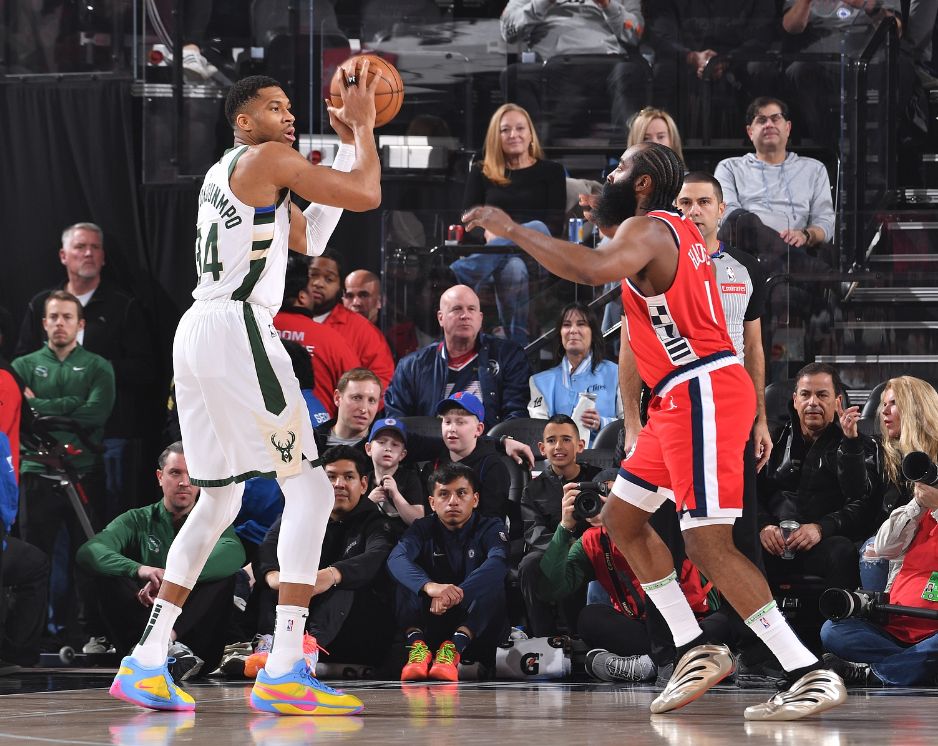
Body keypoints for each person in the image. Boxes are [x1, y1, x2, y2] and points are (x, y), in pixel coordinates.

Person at [463, 141, 846, 720]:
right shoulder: (672, 232)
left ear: (642, 185)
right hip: (676, 397)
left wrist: (512, 229)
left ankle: (806, 670)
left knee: (707, 543)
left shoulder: (650, 227)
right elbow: (616, 256)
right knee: (621, 520)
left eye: (620, 168)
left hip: (701, 389)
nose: (610, 173)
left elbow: (589, 268)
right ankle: (694, 646)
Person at [109, 67, 383, 715]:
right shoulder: (267, 158)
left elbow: (311, 236)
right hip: (238, 325)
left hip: (199, 330)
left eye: (290, 108)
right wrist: (365, 129)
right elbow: (366, 194)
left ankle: (145, 659)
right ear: (244, 121)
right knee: (311, 489)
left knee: (218, 499)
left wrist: (345, 147)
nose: (288, 117)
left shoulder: (229, 171)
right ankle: (285, 666)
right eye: (275, 107)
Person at [15, 222, 156, 521]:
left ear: (104, 257)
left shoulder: (124, 306)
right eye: (80, 247)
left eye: (95, 247)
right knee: (45, 523)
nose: (88, 253)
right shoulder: (40, 304)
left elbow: (145, 368)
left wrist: (93, 372)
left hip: (108, 437)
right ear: (63, 255)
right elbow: (21, 363)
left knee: (104, 520)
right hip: (47, 439)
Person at [76, 442, 245, 680]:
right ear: (160, 477)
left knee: (223, 576)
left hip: (196, 645)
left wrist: (170, 580)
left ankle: (166, 641)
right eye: (175, 473)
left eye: (192, 475)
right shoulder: (137, 520)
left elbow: (233, 553)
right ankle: (156, 645)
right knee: (107, 571)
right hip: (140, 634)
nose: (184, 482)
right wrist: (140, 570)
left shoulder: (214, 523)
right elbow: (90, 551)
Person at [540, 478, 730, 683]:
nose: (601, 503)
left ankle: (649, 665)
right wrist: (565, 527)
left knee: (730, 618)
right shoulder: (592, 541)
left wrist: (623, 514)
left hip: (693, 621)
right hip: (644, 627)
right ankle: (682, 661)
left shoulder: (660, 520)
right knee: (589, 618)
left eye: (609, 495)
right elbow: (552, 589)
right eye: (593, 498)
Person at [13, 290, 115, 637]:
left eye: (67, 317)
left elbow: (95, 414)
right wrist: (73, 404)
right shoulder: (22, 366)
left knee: (88, 555)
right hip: (36, 472)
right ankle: (30, 637)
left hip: (83, 471)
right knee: (33, 557)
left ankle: (91, 635)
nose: (60, 323)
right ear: (43, 323)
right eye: (53, 317)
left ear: (80, 324)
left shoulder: (99, 366)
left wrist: (40, 406)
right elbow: (21, 418)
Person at [252, 446, 395, 671]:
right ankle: (268, 645)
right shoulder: (301, 513)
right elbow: (268, 546)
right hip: (300, 613)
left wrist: (332, 575)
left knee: (344, 584)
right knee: (280, 579)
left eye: (348, 477)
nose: (339, 484)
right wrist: (273, 577)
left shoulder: (377, 522)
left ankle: (308, 652)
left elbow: (377, 556)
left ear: (363, 484)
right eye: (331, 477)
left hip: (354, 628)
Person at [757, 363, 880, 592]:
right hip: (773, 542)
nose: (813, 402)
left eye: (822, 395)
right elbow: (748, 495)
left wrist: (821, 528)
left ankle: (838, 616)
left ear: (837, 402)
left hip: (823, 544)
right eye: (805, 394)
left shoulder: (858, 445)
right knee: (738, 543)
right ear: (795, 400)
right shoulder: (771, 441)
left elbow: (863, 505)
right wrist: (763, 526)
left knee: (842, 551)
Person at [388, 463, 510, 681]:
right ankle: (417, 650)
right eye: (444, 494)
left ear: (475, 499)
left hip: (475, 624)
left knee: (494, 580)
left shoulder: (490, 526)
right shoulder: (422, 527)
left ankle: (453, 649)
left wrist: (456, 594)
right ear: (432, 503)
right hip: (432, 617)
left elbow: (499, 562)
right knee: (404, 578)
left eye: (461, 493)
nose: (453, 501)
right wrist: (430, 587)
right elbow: (396, 558)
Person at [457, 104, 566, 344]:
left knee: (537, 226)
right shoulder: (481, 172)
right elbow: (467, 222)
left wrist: (507, 232)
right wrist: (486, 233)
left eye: (520, 128)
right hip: (498, 256)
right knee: (513, 268)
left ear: (530, 135)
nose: (513, 135)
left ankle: (465, 271)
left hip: (540, 254)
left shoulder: (552, 171)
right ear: (496, 137)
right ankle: (517, 346)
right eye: (505, 130)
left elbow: (555, 227)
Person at [820, 473, 938, 687]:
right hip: (895, 628)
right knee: (833, 631)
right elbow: (884, 548)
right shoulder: (921, 513)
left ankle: (873, 674)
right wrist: (918, 505)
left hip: (934, 633)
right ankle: (916, 666)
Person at [385, 284, 532, 433]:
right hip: (430, 447)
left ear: (480, 318)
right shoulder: (411, 366)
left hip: (492, 446)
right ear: (441, 318)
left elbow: (517, 414)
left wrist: (500, 441)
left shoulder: (508, 356)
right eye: (457, 309)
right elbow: (397, 421)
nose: (465, 315)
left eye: (471, 309)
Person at [714, 97, 835, 275]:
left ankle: (797, 266)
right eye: (761, 120)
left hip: (794, 251)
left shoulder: (814, 169)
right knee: (743, 219)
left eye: (775, 118)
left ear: (788, 128)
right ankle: (825, 275)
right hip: (744, 255)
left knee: (776, 276)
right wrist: (763, 235)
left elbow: (826, 221)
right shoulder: (729, 167)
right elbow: (727, 214)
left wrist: (805, 234)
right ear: (750, 132)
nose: (769, 124)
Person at [500, 0, 647, 142]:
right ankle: (533, 153)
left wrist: (607, 5)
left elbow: (635, 34)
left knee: (630, 71)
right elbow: (508, 30)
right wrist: (544, 2)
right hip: (550, 70)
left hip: (606, 68)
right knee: (514, 75)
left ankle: (626, 153)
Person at [519, 414, 602, 636]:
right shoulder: (532, 490)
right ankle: (542, 637)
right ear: (542, 448)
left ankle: (583, 635)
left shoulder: (599, 479)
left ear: (580, 445)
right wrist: (564, 545)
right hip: (553, 550)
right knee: (529, 564)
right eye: (551, 440)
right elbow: (534, 532)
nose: (558, 446)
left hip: (596, 550)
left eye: (566, 439)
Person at [646, 1, 780, 137]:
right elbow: (661, 32)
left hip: (739, 57)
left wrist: (726, 59)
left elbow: (763, 32)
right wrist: (691, 57)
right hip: (685, 58)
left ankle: (758, 142)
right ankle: (665, 143)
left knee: (760, 70)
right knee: (663, 71)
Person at [858, 377, 938, 591]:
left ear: (916, 408)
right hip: (900, 538)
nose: (884, 411)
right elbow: (860, 498)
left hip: (929, 542)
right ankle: (879, 609)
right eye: (883, 404)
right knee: (872, 549)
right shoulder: (880, 451)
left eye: (894, 403)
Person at [273, 255, 360, 419]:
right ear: (302, 297)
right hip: (315, 428)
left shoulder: (253, 329)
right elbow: (357, 388)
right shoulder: (331, 339)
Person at [528, 302, 622, 446]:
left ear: (593, 333)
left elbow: (629, 424)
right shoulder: (540, 382)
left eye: (581, 324)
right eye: (566, 325)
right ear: (560, 334)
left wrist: (602, 423)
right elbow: (538, 432)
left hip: (606, 457)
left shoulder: (616, 373)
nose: (573, 330)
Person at [308, 249, 395, 389]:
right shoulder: (280, 319)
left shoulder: (365, 331)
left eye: (329, 279)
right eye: (313, 275)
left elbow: (382, 384)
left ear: (339, 287)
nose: (318, 283)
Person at [364, 418, 426, 537]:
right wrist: (368, 503)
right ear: (369, 449)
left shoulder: (410, 478)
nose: (388, 448)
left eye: (395, 444)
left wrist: (396, 495)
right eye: (382, 442)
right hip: (371, 536)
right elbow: (353, 522)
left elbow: (418, 521)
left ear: (402, 454)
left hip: (404, 537)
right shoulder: (364, 480)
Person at [314, 368, 384, 452]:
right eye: (356, 398)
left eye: (371, 400)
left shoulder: (382, 452)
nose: (364, 409)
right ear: (337, 398)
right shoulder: (310, 441)